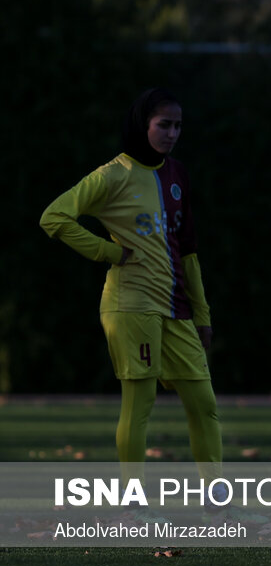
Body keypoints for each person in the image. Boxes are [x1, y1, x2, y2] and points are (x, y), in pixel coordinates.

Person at [40, 88, 223, 506]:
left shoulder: (177, 174)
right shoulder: (112, 175)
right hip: (131, 305)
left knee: (204, 402)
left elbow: (189, 251)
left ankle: (218, 500)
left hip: (175, 308)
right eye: (164, 124)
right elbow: (54, 216)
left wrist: (202, 313)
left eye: (178, 125)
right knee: (139, 406)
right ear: (143, 125)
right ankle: (133, 505)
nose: (172, 133)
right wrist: (108, 252)